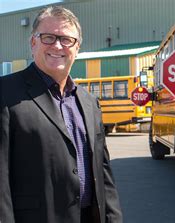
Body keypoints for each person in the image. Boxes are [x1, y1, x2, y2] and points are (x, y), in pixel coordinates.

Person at [0, 6, 122, 223]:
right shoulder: (6, 94)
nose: (57, 46)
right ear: (33, 42)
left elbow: (102, 171)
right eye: (48, 37)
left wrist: (113, 218)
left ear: (77, 48)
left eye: (67, 40)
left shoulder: (89, 102)